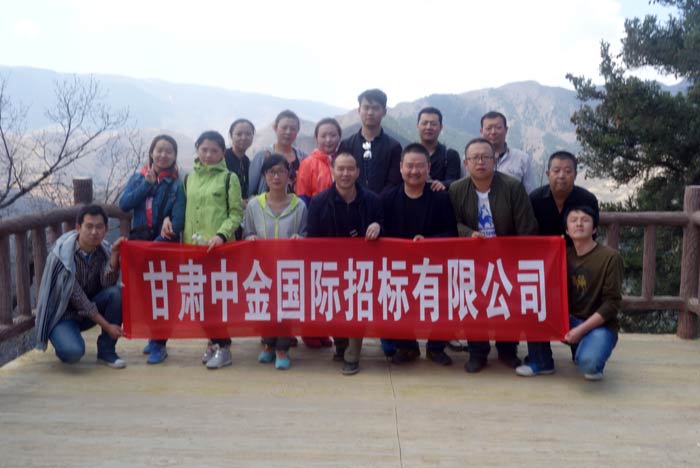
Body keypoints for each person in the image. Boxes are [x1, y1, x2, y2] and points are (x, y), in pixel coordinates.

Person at [448, 137, 538, 373]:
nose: (480, 162)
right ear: (466, 163)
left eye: (485, 157)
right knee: (474, 304)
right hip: (472, 259)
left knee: (506, 303)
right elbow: (451, 223)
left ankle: (507, 350)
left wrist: (519, 257)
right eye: (474, 158)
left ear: (495, 160)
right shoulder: (457, 189)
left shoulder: (512, 187)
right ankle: (477, 353)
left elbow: (527, 226)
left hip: (507, 258)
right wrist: (468, 234)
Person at [516, 206, 623, 381]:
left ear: (594, 228)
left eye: (585, 220)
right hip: (568, 320)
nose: (579, 224)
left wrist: (580, 330)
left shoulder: (610, 257)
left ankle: (589, 352)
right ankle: (541, 361)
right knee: (532, 305)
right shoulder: (562, 254)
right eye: (573, 220)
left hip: (600, 325)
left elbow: (611, 304)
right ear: (567, 230)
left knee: (588, 364)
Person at [380, 143, 457, 366]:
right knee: (400, 302)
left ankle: (436, 348)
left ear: (428, 168)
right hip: (399, 265)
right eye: (409, 166)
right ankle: (407, 347)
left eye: (420, 166)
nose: (414, 171)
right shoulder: (387, 198)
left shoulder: (441, 197)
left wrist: (429, 242)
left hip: (433, 265)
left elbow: (451, 231)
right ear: (401, 167)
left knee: (440, 302)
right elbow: (381, 228)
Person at [307, 152, 383, 375]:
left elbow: (384, 224)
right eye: (340, 169)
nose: (345, 173)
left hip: (362, 268)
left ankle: (352, 355)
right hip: (330, 267)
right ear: (332, 171)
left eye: (350, 169)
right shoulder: (319, 202)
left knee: (356, 309)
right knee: (334, 307)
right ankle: (341, 345)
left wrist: (378, 226)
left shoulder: (372, 200)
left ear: (358, 172)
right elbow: (312, 238)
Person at [119, 134, 186, 364]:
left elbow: (177, 222)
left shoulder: (177, 184)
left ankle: (159, 343)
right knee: (146, 295)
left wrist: (152, 247)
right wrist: (146, 185)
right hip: (140, 243)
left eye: (169, 151)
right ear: (151, 152)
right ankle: (153, 336)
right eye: (159, 150)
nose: (163, 155)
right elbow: (124, 204)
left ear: (175, 156)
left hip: (163, 249)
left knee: (162, 295)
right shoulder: (139, 177)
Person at [35, 205, 126, 368]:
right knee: (73, 352)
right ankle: (62, 339)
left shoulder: (103, 249)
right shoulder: (63, 257)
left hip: (86, 313)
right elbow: (80, 300)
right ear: (78, 227)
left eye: (99, 227)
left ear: (105, 229)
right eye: (89, 226)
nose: (94, 232)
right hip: (62, 315)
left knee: (117, 293)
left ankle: (106, 352)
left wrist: (114, 256)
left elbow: (107, 284)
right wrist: (108, 327)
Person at [184, 130, 243, 369]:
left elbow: (236, 214)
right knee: (199, 299)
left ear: (222, 153)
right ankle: (212, 341)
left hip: (219, 250)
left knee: (216, 300)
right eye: (204, 149)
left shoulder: (229, 178)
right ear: (197, 149)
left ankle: (223, 346)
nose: (208, 155)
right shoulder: (189, 178)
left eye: (214, 151)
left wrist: (221, 235)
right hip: (193, 250)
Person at [244, 155, 308, 370]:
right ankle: (268, 344)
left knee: (286, 307)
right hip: (262, 267)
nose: (276, 176)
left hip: (290, 268)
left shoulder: (299, 206)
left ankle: (282, 348)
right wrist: (250, 238)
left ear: (289, 175)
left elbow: (305, 233)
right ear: (265, 176)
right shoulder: (254, 205)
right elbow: (247, 232)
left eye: (281, 171)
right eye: (271, 172)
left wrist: (301, 239)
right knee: (266, 305)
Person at [295, 117, 341, 348]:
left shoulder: (342, 161)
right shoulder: (308, 163)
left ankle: (325, 329)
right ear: (316, 138)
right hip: (317, 228)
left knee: (332, 284)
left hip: (339, 231)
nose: (328, 139)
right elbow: (302, 199)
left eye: (333, 135)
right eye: (324, 135)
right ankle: (310, 330)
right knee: (313, 282)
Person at [338, 89, 402, 194]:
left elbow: (394, 182)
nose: (370, 112)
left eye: (375, 108)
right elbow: (341, 176)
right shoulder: (346, 145)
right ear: (359, 110)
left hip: (384, 203)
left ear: (384, 112)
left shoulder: (394, 147)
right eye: (366, 107)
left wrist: (375, 201)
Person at [529, 151, 599, 244]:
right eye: (556, 171)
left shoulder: (587, 200)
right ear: (548, 174)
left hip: (578, 251)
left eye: (568, 171)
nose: (561, 176)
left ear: (575, 175)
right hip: (543, 251)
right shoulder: (535, 199)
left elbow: (591, 236)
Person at [249, 110, 307, 196]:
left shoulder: (303, 158)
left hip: (297, 204)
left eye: (293, 129)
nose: (288, 132)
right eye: (284, 128)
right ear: (275, 128)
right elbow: (250, 189)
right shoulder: (263, 156)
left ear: (297, 131)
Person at [479, 111, 537, 194]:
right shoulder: (471, 159)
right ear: (481, 131)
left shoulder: (522, 158)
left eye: (498, 127)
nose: (493, 132)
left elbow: (530, 193)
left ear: (506, 130)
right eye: (488, 128)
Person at [416, 107, 461, 190]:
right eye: (424, 123)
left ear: (441, 127)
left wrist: (443, 184)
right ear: (417, 125)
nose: (428, 127)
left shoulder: (450, 155)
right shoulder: (408, 155)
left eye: (433, 124)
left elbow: (455, 182)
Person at [224, 118, 256, 203]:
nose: (244, 138)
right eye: (239, 134)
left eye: (248, 134)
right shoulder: (223, 158)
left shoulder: (247, 162)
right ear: (231, 136)